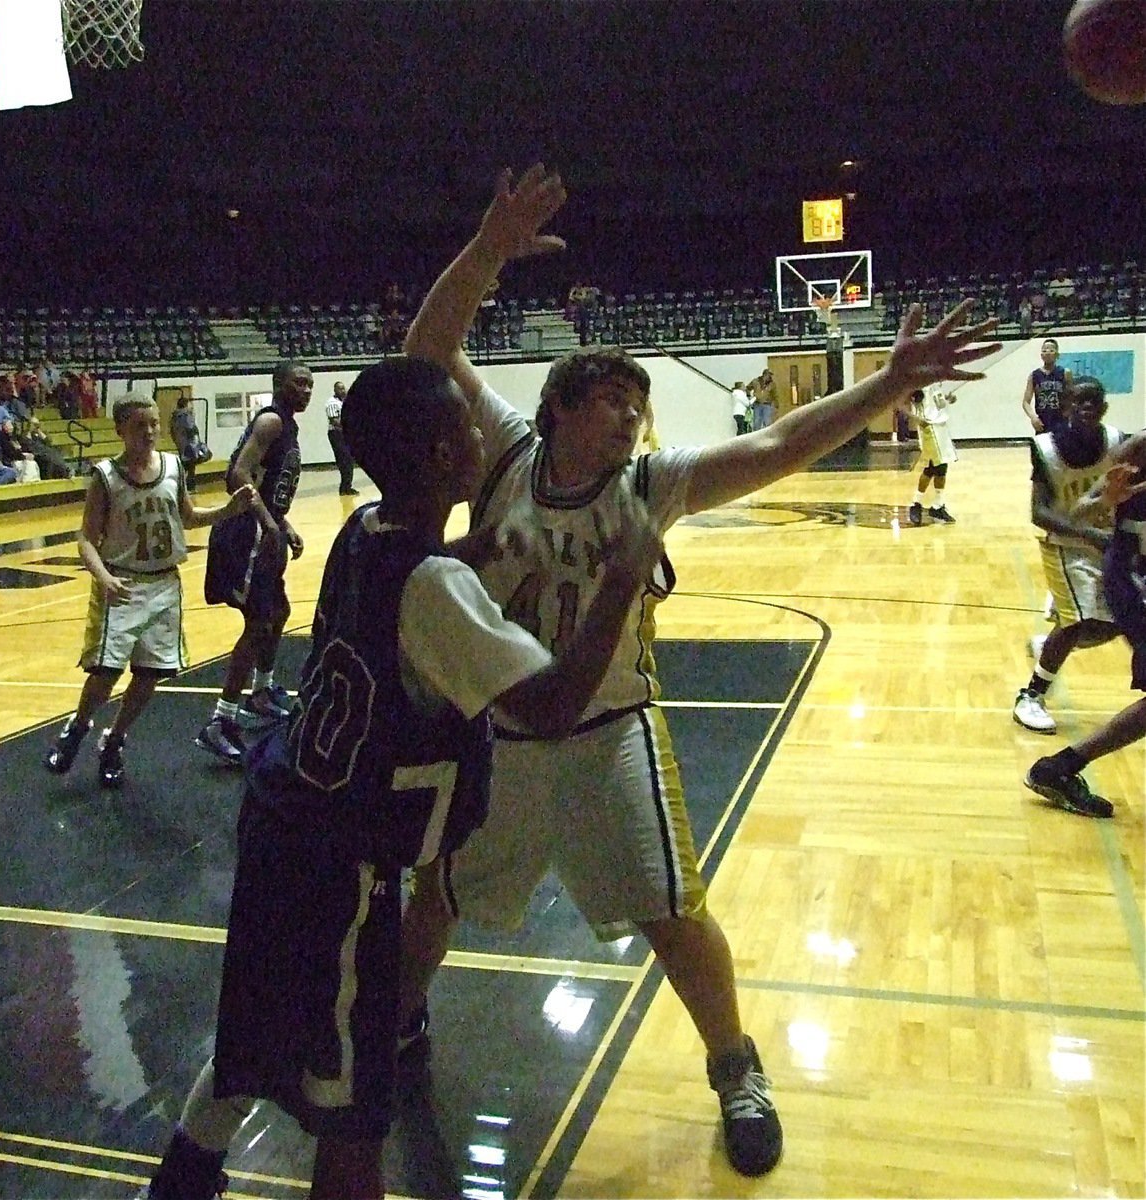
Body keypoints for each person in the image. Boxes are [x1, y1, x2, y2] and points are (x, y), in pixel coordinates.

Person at [398, 163, 999, 1179]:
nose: (629, 417)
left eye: (637, 402)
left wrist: (890, 383)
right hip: (498, 734)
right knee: (437, 893)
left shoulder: (651, 483)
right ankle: (398, 1026)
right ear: (554, 409)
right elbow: (427, 352)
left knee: (674, 911)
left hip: (608, 732)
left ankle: (735, 1069)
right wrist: (487, 249)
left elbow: (778, 441)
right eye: (607, 400)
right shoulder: (501, 450)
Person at [139, 356, 664, 1200]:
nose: (478, 436)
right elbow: (555, 705)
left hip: (282, 822)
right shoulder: (436, 587)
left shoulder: (366, 531)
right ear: (439, 457)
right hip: (343, 867)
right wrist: (623, 581)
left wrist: (479, 545)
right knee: (353, 1112)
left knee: (255, 1031)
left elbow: (412, 581)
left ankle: (183, 1177)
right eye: (463, 426)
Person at [43, 394, 253, 788]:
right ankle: (78, 727)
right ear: (121, 430)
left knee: (149, 674)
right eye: (141, 425)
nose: (151, 432)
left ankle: (115, 741)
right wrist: (104, 578)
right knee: (105, 671)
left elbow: (188, 517)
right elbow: (86, 540)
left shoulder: (173, 466)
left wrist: (229, 510)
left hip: (164, 584)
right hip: (121, 583)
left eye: (155, 424)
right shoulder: (105, 476)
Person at [196, 361, 312, 764]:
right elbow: (238, 473)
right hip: (245, 534)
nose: (307, 390)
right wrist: (268, 523)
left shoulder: (288, 425)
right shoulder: (270, 422)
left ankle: (262, 692)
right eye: (300, 383)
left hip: (266, 530)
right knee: (259, 621)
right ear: (280, 385)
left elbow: (265, 482)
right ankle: (220, 721)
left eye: (311, 384)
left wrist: (284, 524)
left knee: (279, 612)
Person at [1025, 432, 1146, 817]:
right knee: (1084, 626)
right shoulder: (1138, 446)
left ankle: (1058, 769)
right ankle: (1057, 764)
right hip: (1133, 580)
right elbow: (1076, 511)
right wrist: (1109, 500)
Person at [1013, 378, 1126, 736]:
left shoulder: (1117, 442)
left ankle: (1051, 643)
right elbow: (1038, 512)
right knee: (1077, 624)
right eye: (1078, 402)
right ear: (1065, 407)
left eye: (1094, 401)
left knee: (1113, 623)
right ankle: (1030, 696)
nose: (1086, 407)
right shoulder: (1045, 448)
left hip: (1107, 544)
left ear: (1104, 408)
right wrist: (1089, 533)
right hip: (1065, 545)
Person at [905, 383, 958, 525]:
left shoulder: (936, 376)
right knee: (933, 467)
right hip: (929, 426)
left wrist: (947, 399)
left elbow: (935, 399)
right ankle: (916, 503)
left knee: (942, 467)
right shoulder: (918, 376)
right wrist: (915, 418)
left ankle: (938, 505)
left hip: (941, 425)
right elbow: (904, 401)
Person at [1021, 337, 1073, 435]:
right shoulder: (1034, 375)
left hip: (1060, 421)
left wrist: (1068, 414)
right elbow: (1025, 402)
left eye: (1051, 350)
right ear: (1041, 355)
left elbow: (1073, 397)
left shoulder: (1065, 373)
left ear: (1057, 354)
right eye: (1044, 350)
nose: (1047, 352)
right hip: (1042, 422)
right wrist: (1033, 417)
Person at [169, 396, 210, 493]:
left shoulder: (175, 417)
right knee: (191, 466)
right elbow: (191, 428)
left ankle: (185, 486)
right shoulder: (186, 415)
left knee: (186, 465)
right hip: (190, 444)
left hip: (181, 444)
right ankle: (189, 487)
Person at [325, 380, 358, 495]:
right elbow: (335, 421)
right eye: (340, 389)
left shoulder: (344, 401)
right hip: (336, 434)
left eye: (344, 388)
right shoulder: (332, 403)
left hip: (344, 433)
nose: (343, 390)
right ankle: (344, 487)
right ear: (335, 390)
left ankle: (347, 486)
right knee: (344, 460)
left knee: (349, 460)